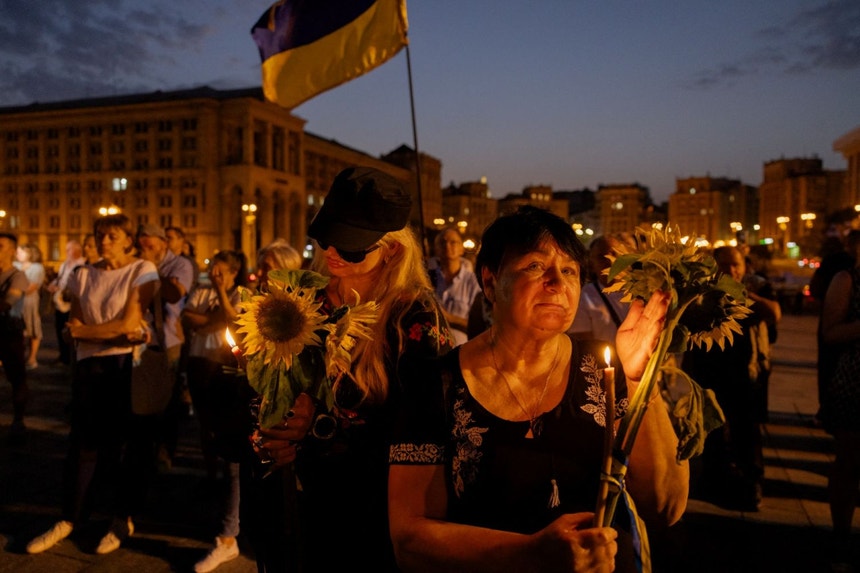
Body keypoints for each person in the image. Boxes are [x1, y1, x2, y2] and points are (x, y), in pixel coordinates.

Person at [387, 206, 689, 573]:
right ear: (489, 281)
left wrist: (643, 379)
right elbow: (409, 540)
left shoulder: (607, 372)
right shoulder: (437, 386)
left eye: (569, 271)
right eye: (534, 266)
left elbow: (666, 506)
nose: (557, 284)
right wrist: (531, 553)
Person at [244, 166, 454, 572]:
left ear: (392, 250)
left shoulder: (415, 318)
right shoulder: (302, 302)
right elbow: (263, 391)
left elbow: (424, 433)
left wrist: (320, 425)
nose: (332, 252)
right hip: (295, 506)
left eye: (352, 246)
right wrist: (269, 433)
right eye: (325, 238)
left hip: (368, 517)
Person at [25, 213, 159, 555]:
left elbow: (128, 321)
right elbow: (75, 326)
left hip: (126, 364)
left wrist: (88, 332)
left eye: (113, 235)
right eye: (100, 234)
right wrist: (99, 331)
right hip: (88, 365)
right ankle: (71, 516)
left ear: (128, 239)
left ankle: (120, 518)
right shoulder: (83, 273)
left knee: (123, 445)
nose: (104, 241)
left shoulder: (142, 269)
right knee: (83, 444)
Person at [682, 245, 781, 511]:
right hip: (710, 371)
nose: (731, 270)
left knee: (748, 430)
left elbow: (774, 314)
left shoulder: (758, 287)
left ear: (745, 266)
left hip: (748, 373)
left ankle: (751, 484)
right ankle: (714, 482)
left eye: (736, 265)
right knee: (713, 431)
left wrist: (744, 294)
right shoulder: (701, 291)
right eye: (724, 265)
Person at [182, 250, 254, 573]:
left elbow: (231, 320)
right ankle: (213, 482)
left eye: (221, 271)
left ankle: (231, 529)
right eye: (213, 270)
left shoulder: (240, 295)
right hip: (198, 361)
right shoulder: (200, 291)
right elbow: (188, 318)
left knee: (230, 446)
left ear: (235, 273)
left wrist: (219, 303)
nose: (215, 276)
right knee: (205, 427)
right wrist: (210, 318)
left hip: (224, 368)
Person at [136, 223, 195, 472]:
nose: (145, 250)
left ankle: (164, 451)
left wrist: (150, 269)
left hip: (167, 341)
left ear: (162, 244)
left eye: (150, 245)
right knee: (140, 399)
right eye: (141, 246)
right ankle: (142, 448)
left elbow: (174, 294)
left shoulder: (180, 265)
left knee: (166, 400)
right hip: (139, 340)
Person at [819, 229, 860, 570]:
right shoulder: (846, 280)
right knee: (849, 461)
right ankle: (841, 534)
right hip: (855, 382)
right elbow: (829, 333)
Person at [568, 234, 630, 344]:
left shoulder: (640, 292)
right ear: (591, 264)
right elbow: (583, 342)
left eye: (614, 254)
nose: (609, 261)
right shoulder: (583, 297)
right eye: (601, 257)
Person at [427, 226, 482, 345]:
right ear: (436, 248)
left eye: (453, 242)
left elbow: (481, 324)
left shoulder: (473, 282)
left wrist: (449, 318)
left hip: (461, 350)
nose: (447, 246)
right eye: (443, 242)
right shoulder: (427, 279)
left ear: (462, 249)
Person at [0, 232, 30, 445]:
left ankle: (19, 419)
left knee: (16, 377)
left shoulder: (17, 276)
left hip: (9, 331)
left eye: (0, 246)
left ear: (12, 250)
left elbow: (9, 301)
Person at [46, 240, 86, 366]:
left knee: (71, 330)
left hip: (71, 303)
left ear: (78, 251)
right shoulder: (65, 264)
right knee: (59, 329)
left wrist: (64, 289)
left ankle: (70, 358)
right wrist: (53, 285)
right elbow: (60, 279)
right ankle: (63, 356)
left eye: (69, 249)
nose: (66, 252)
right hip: (60, 303)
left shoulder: (82, 264)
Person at [16, 243, 46, 370]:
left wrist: (12, 289)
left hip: (29, 302)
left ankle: (32, 358)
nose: (17, 254)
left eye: (21, 252)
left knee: (32, 328)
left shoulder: (37, 268)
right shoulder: (15, 265)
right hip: (14, 303)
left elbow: (31, 287)